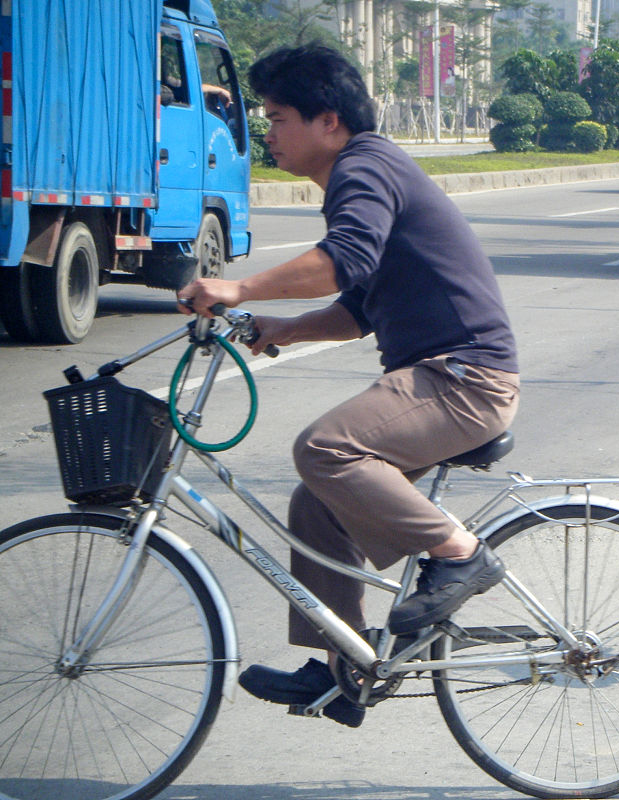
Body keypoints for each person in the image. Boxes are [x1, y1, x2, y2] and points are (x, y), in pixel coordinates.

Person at [177, 43, 519, 727]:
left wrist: (239, 286)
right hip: (442, 376)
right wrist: (286, 328)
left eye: (278, 118)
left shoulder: (364, 166)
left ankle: (462, 554)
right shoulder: (361, 172)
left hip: (467, 378)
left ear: (327, 121)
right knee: (318, 504)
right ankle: (345, 668)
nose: (268, 133)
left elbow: (344, 260)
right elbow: (359, 305)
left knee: (325, 448)